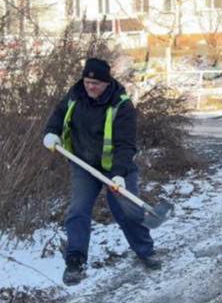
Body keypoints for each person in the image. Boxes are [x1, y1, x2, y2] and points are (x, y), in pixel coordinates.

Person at [43, 57, 160, 284]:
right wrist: (51, 132)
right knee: (78, 210)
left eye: (95, 84)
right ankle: (75, 261)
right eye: (87, 82)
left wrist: (118, 173)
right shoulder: (75, 95)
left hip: (116, 167)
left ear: (107, 83)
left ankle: (146, 251)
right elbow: (58, 115)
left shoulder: (121, 105)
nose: (90, 87)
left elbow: (126, 145)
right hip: (84, 164)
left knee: (127, 211)